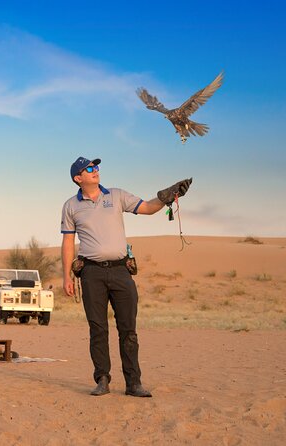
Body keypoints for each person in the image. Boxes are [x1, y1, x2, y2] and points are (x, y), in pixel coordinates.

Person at [61, 156, 192, 397]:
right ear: (78, 178)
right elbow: (68, 241)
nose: (95, 170)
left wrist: (166, 197)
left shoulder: (117, 195)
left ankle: (134, 383)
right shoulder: (71, 206)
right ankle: (102, 379)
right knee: (98, 328)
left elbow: (147, 208)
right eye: (89, 168)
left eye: (96, 166)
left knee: (128, 329)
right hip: (91, 273)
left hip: (121, 271)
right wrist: (66, 276)